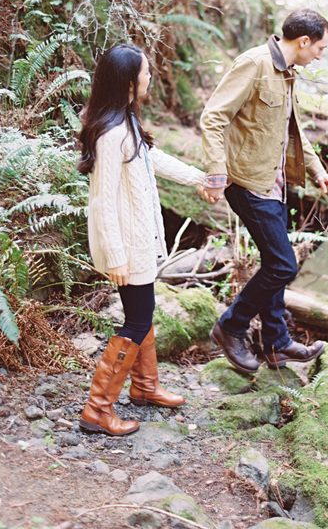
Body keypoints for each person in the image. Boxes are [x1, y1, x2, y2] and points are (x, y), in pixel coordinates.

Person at [201, 8, 328, 374]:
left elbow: (288, 131)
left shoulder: (287, 72)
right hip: (247, 183)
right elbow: (213, 117)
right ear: (304, 41)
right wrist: (216, 174)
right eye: (320, 48)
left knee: (274, 262)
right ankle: (230, 326)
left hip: (275, 182)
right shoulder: (255, 64)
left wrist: (317, 170)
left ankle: (276, 343)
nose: (320, 55)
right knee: (282, 265)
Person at [77, 43, 205, 436]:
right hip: (126, 248)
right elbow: (102, 202)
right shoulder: (111, 133)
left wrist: (199, 178)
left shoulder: (127, 123)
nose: (151, 76)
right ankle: (98, 411)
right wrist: (115, 256)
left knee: (142, 315)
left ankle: (146, 387)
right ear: (130, 82)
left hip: (137, 243)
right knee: (135, 322)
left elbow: (154, 159)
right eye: (147, 72)